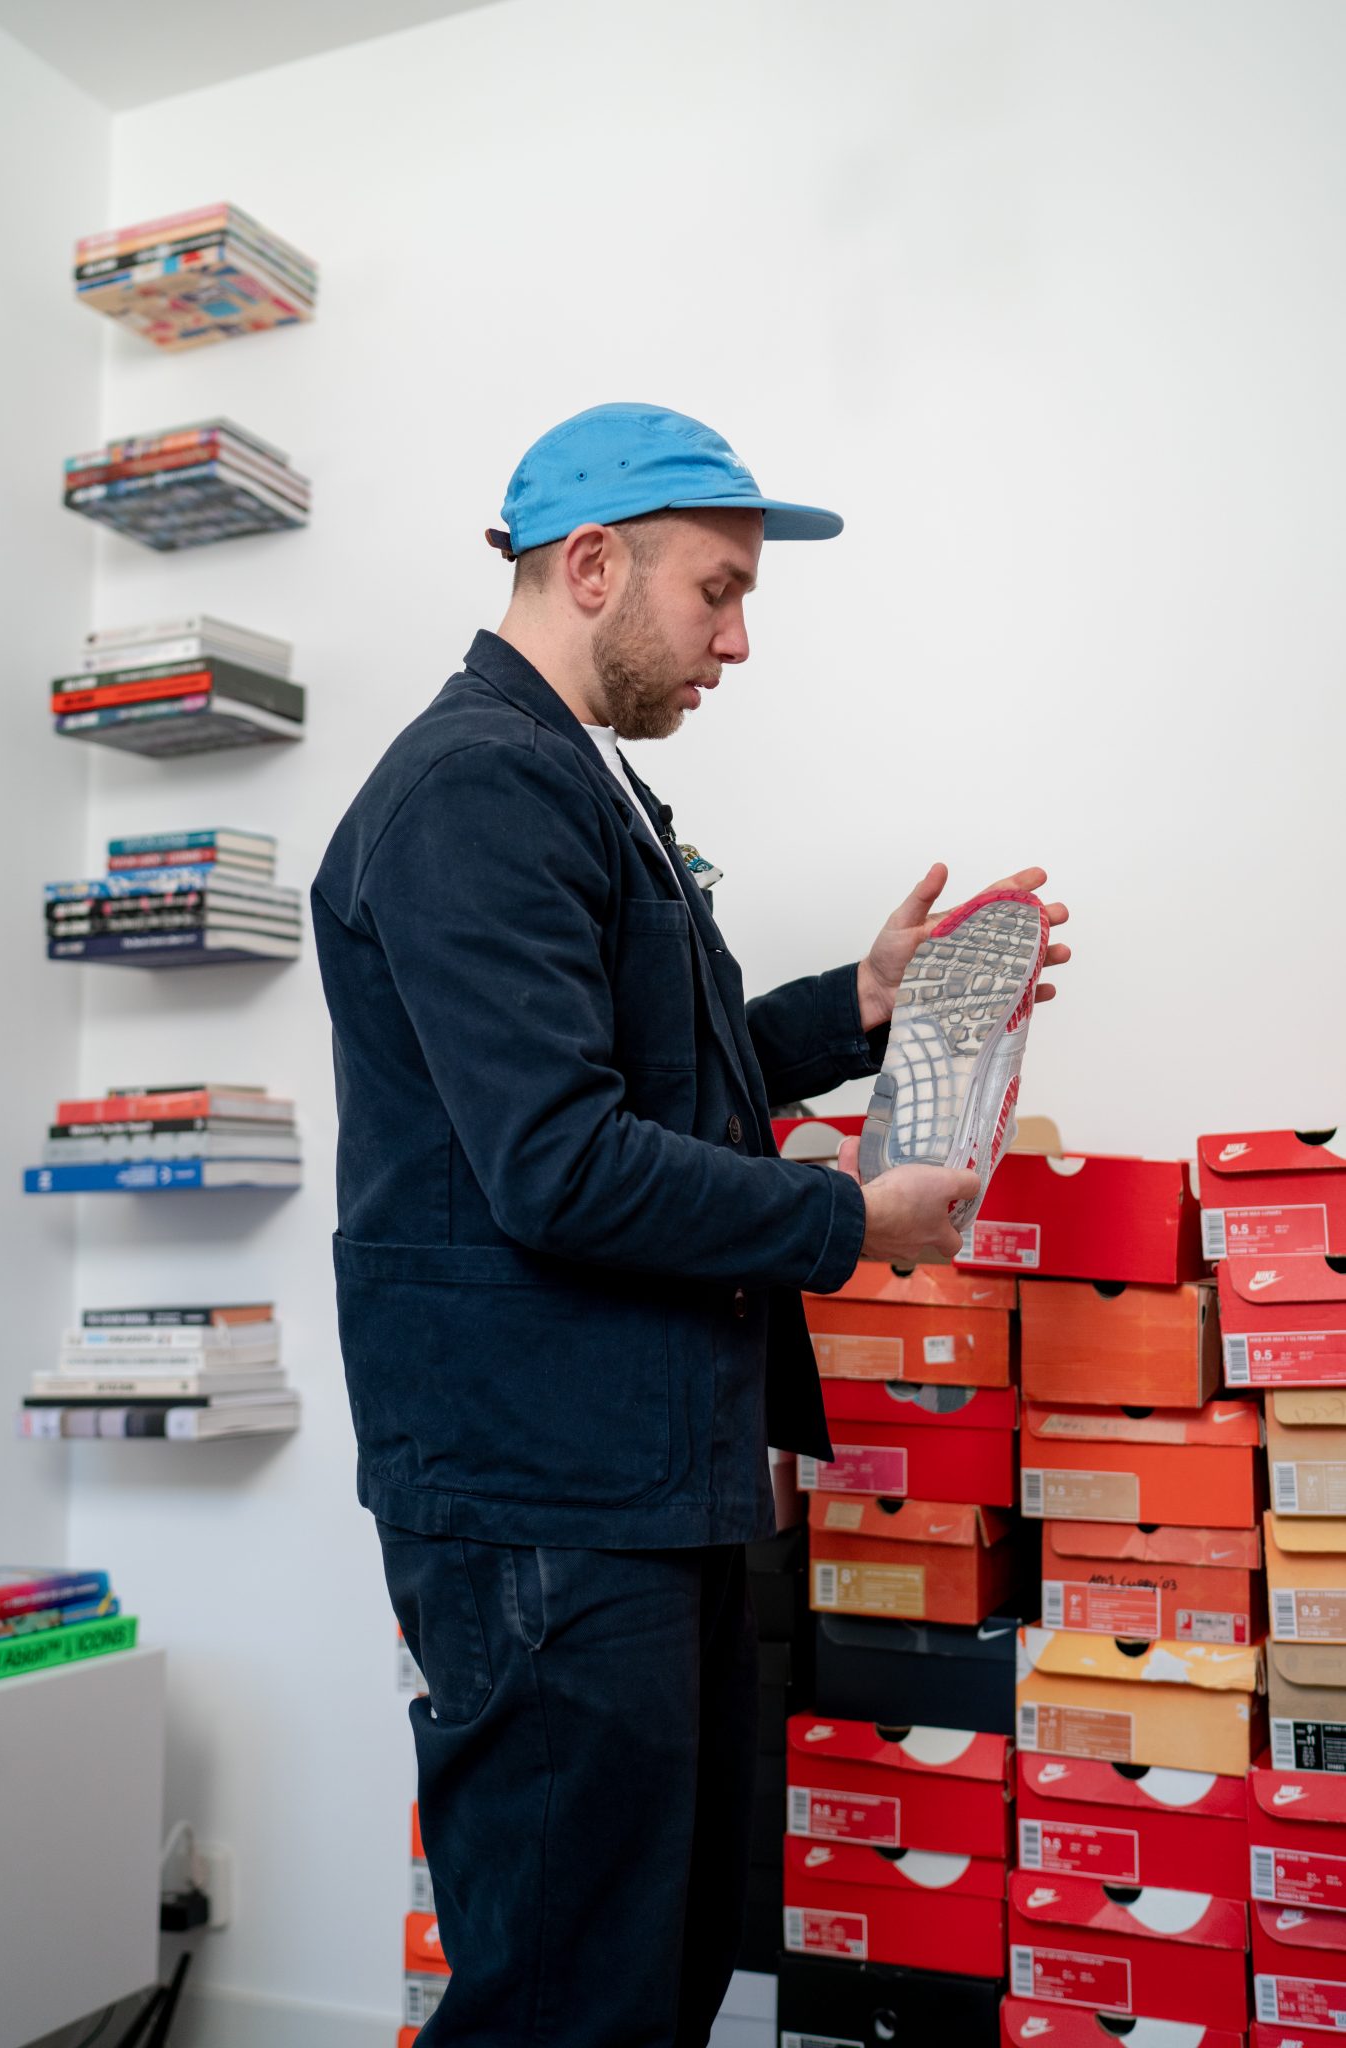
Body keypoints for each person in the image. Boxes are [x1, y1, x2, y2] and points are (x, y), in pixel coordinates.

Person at [311, 402, 1069, 2047]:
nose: (736, 641)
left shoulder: (577, 782)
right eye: (717, 593)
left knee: (658, 1969)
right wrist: (850, 1219)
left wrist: (859, 1003)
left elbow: (661, 1077)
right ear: (591, 565)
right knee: (567, 1995)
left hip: (636, 1476)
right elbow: (563, 1166)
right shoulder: (476, 790)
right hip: (542, 1493)